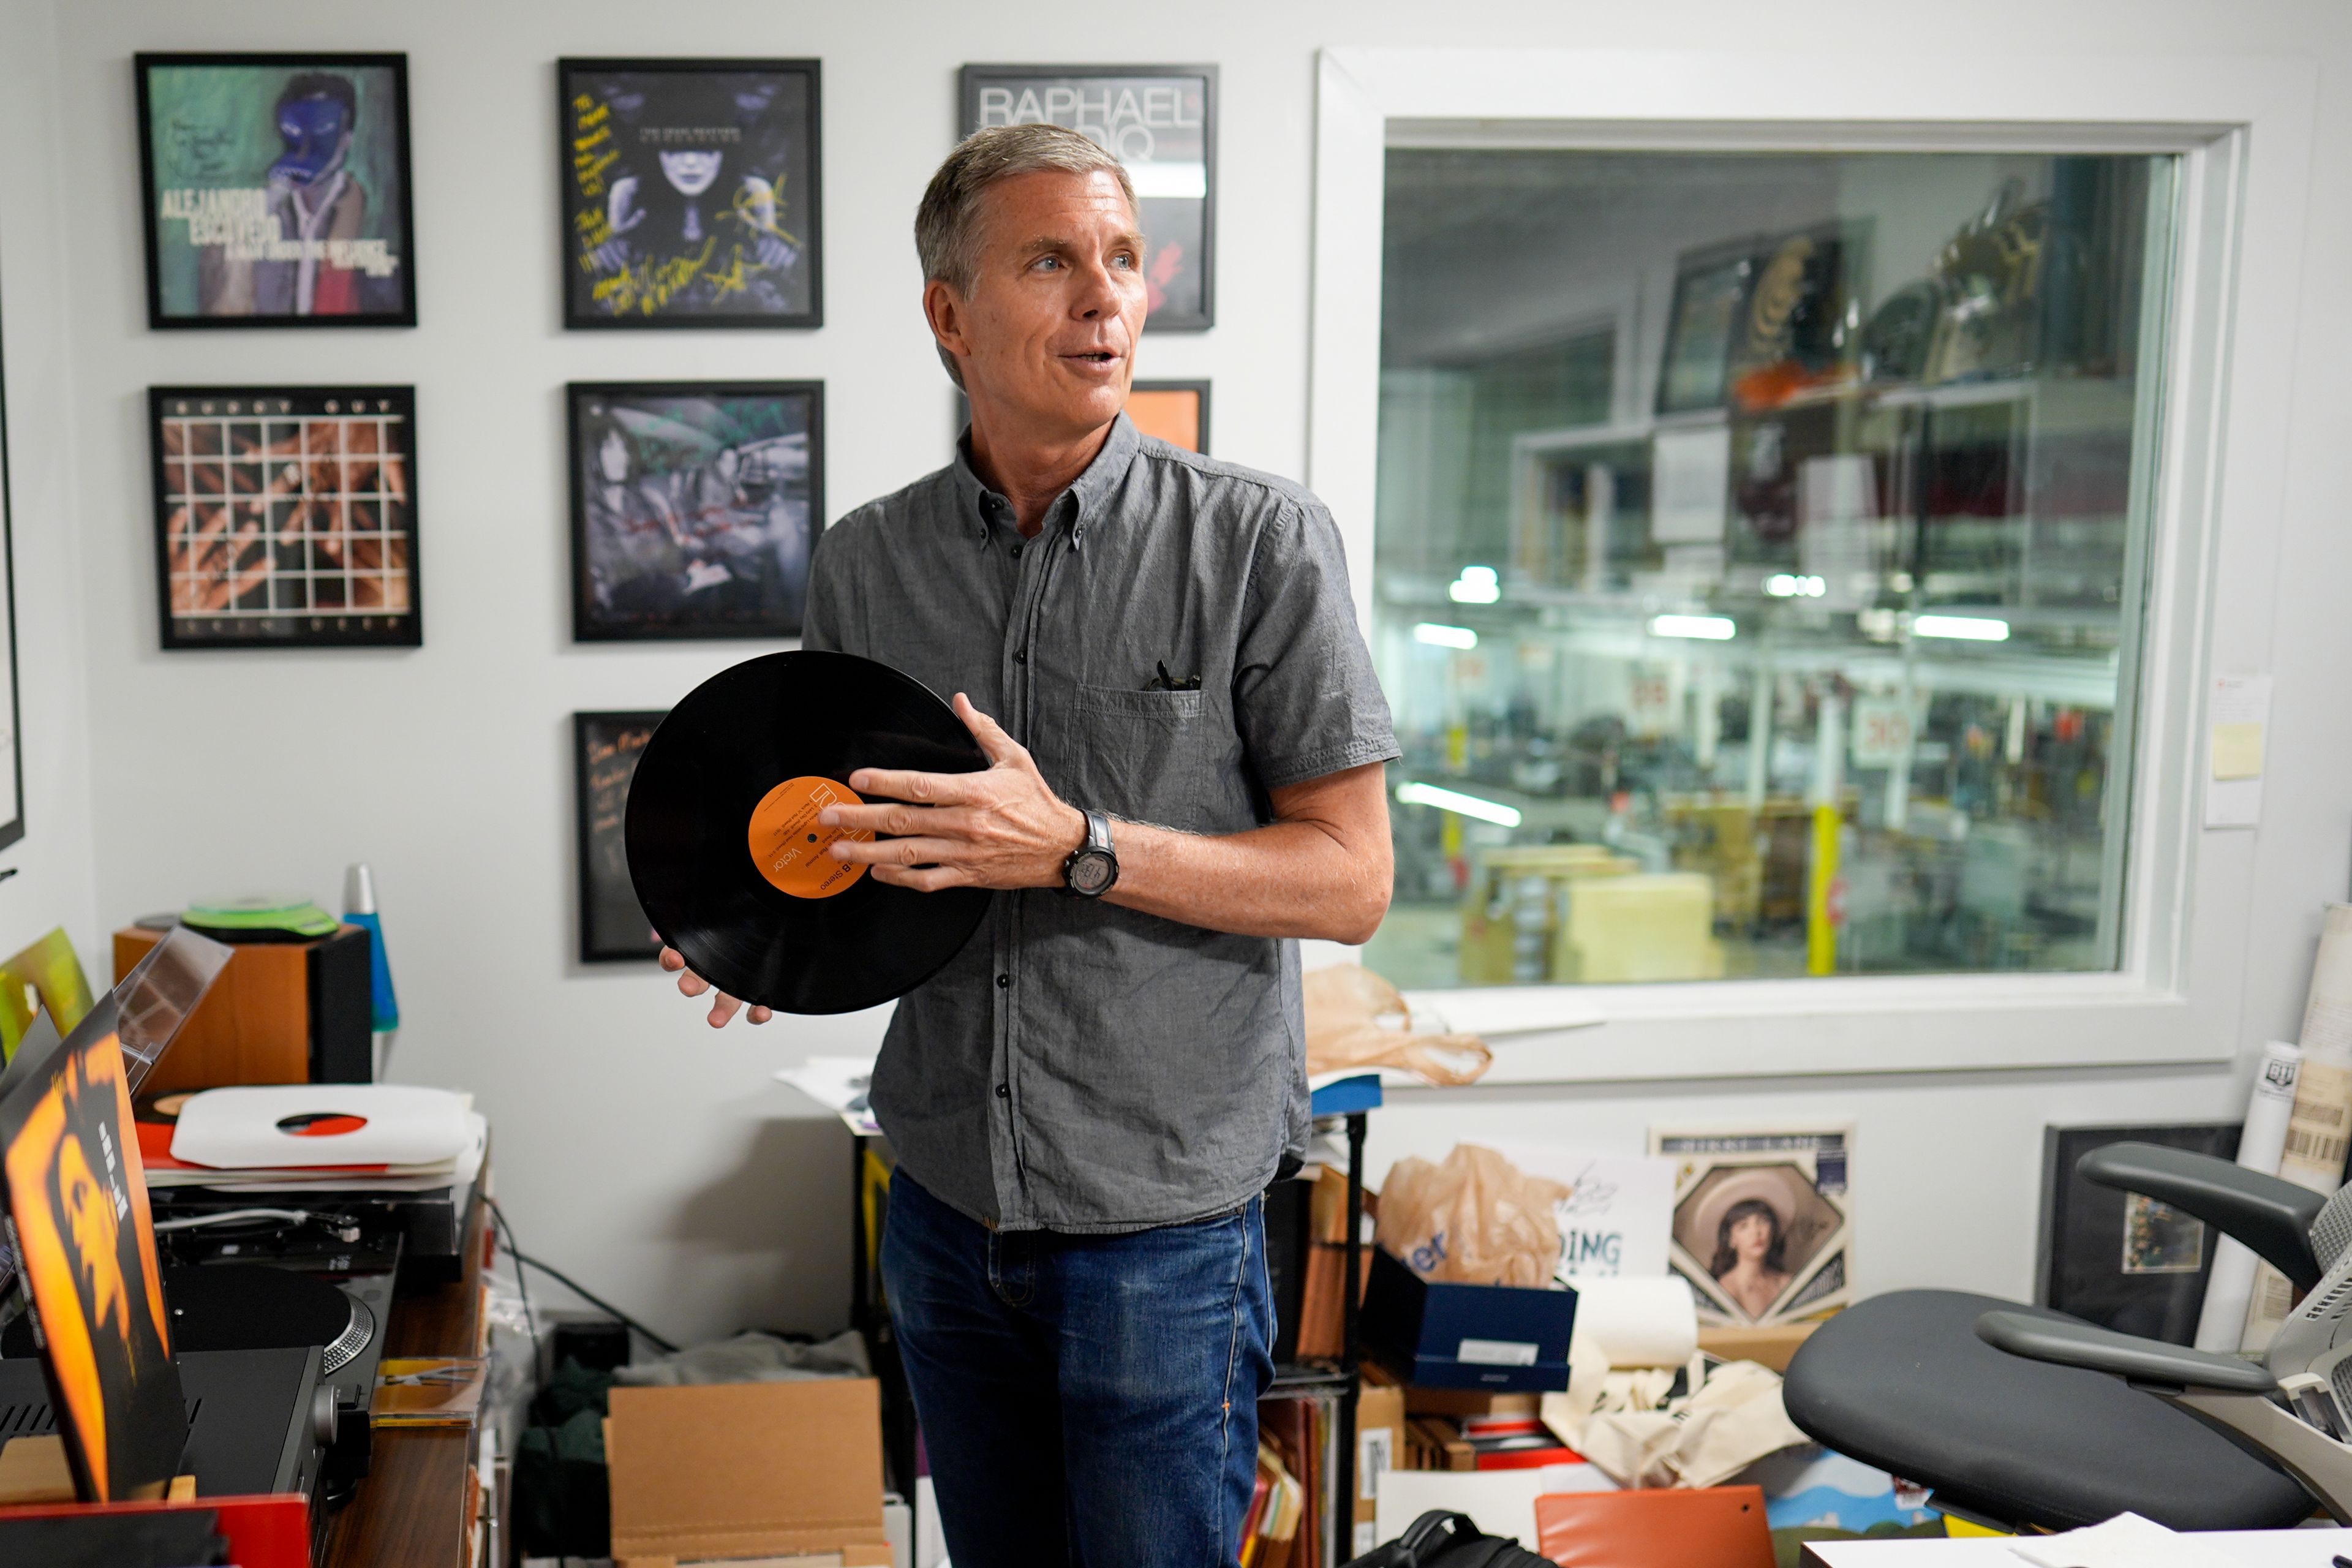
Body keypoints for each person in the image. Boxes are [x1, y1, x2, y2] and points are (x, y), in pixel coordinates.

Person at [659, 123, 1398, 1566]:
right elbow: (850, 836)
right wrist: (751, 918)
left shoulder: (1259, 542)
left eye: (1121, 260)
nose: (1105, 298)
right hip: (937, 1197)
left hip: (1164, 1224)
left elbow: (1350, 878)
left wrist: (1076, 841)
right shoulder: (865, 561)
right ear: (950, 313)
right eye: (1051, 260)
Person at [1710, 1196, 1793, 1320]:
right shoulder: (1726, 1289)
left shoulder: (1786, 1283)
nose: (1756, 1232)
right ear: (1731, 1239)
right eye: (1743, 1226)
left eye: (1762, 1221)